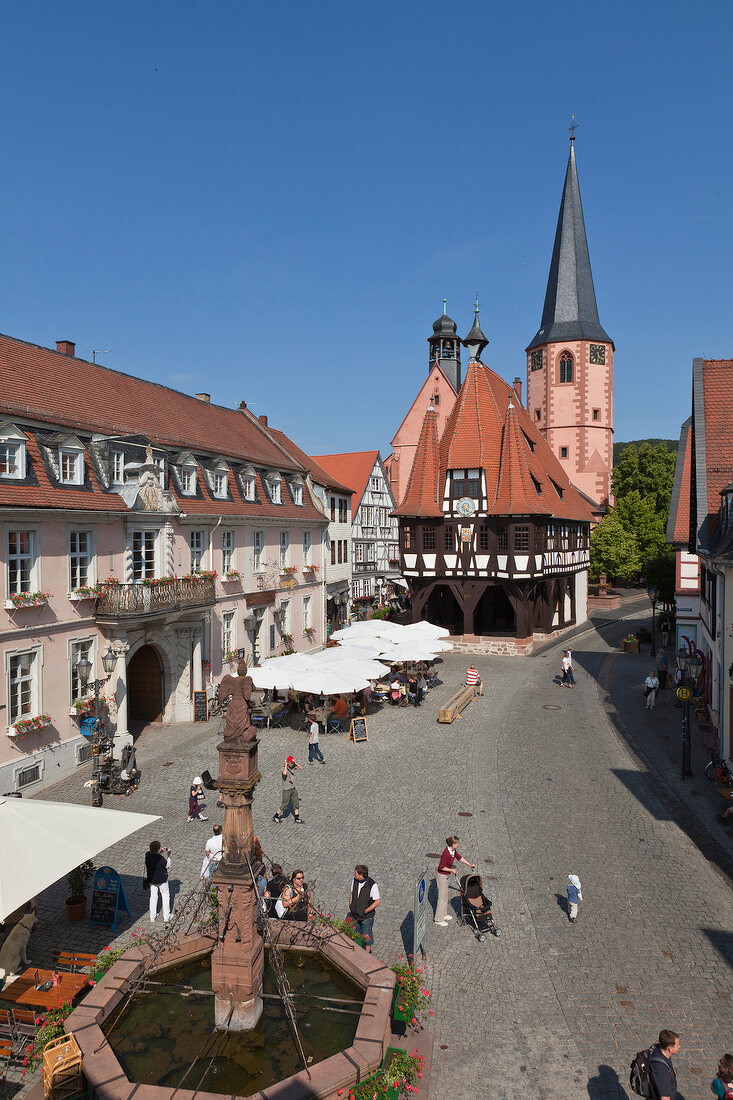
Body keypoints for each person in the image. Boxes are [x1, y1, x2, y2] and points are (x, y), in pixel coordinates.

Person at [435, 836, 476, 926]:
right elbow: (441, 867)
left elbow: (459, 858)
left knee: (445, 896)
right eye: (457, 843)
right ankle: (438, 919)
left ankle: (443, 914)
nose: (458, 844)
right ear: (453, 844)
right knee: (442, 898)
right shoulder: (446, 853)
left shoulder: (453, 851)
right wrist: (451, 870)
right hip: (442, 876)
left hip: (445, 876)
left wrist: (469, 864)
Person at [348, 865, 380, 953]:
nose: (354, 874)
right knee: (352, 932)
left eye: (355, 873)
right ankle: (354, 949)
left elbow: (377, 901)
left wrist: (366, 911)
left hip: (366, 917)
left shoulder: (372, 885)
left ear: (361, 875)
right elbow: (352, 892)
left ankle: (367, 953)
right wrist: (351, 904)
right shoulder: (355, 880)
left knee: (367, 936)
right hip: (354, 915)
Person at [146, 840, 172, 924]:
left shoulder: (147, 855)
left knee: (153, 897)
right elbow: (168, 865)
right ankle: (166, 916)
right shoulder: (160, 858)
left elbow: (154, 856)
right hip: (162, 880)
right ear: (158, 848)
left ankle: (152, 917)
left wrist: (160, 852)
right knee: (165, 896)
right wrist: (168, 855)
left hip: (152, 880)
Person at [650, 1029, 680, 1100]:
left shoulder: (657, 1048)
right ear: (669, 1049)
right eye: (677, 1045)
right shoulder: (661, 1070)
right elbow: (665, 1097)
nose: (679, 1047)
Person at [273, 756, 304, 823]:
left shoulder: (293, 766)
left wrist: (295, 762)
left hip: (293, 789)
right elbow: (284, 773)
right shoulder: (283, 768)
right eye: (291, 763)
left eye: (293, 763)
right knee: (284, 805)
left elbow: (301, 768)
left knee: (296, 804)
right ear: (288, 762)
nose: (292, 764)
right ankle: (275, 816)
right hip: (286, 790)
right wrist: (286, 765)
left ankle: (297, 818)